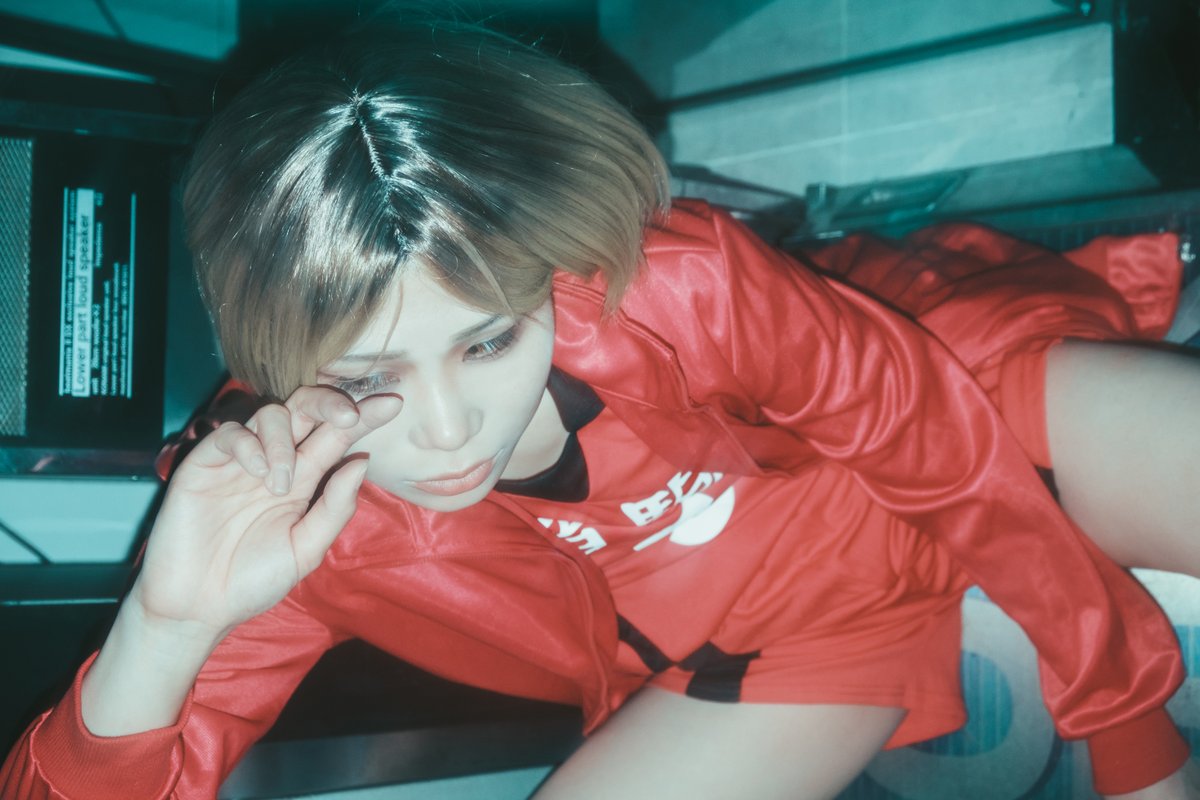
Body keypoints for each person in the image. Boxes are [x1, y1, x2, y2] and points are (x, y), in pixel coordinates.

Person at [3, 15, 1199, 800]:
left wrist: (1126, 717)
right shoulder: (299, 511)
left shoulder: (675, 285)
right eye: (367, 377)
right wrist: (163, 627)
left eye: (488, 340)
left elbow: (921, 429)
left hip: (954, 414)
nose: (445, 429)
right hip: (775, 645)